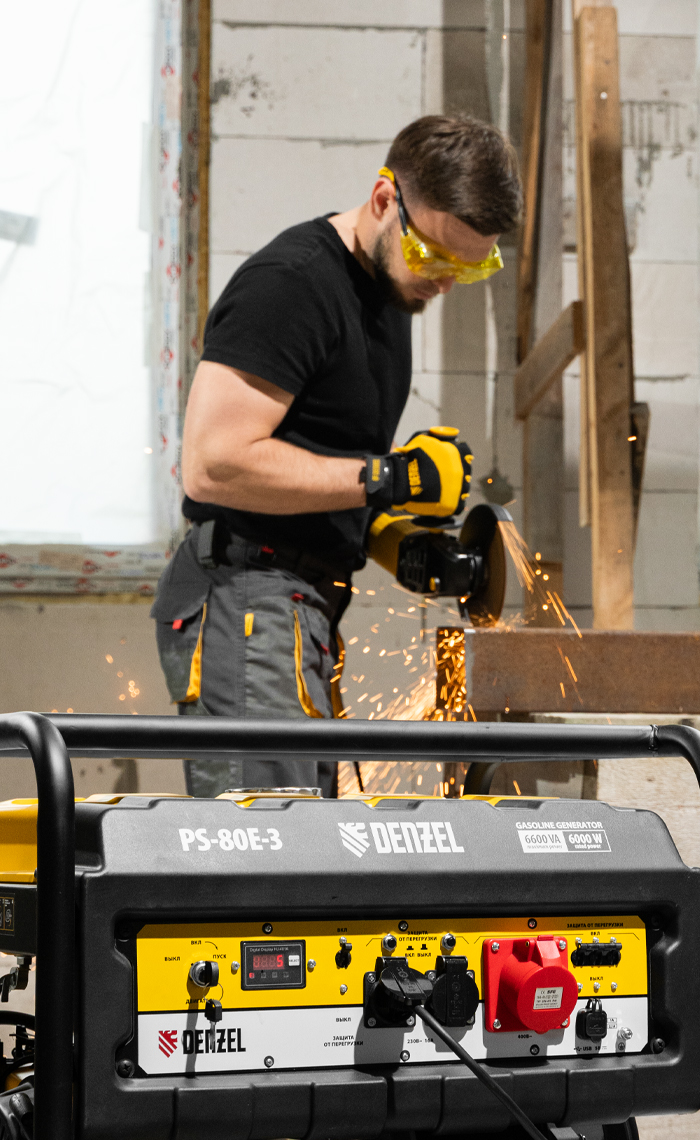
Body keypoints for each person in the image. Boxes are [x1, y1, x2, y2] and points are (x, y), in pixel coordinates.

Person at [151, 114, 522, 797]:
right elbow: (214, 464)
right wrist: (390, 476)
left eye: (469, 269)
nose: (444, 283)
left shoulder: (390, 294)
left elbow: (319, 469)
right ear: (384, 198)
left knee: (309, 840)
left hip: (300, 607)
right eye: (434, 256)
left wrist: (397, 543)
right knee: (271, 842)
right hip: (246, 599)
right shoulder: (292, 285)